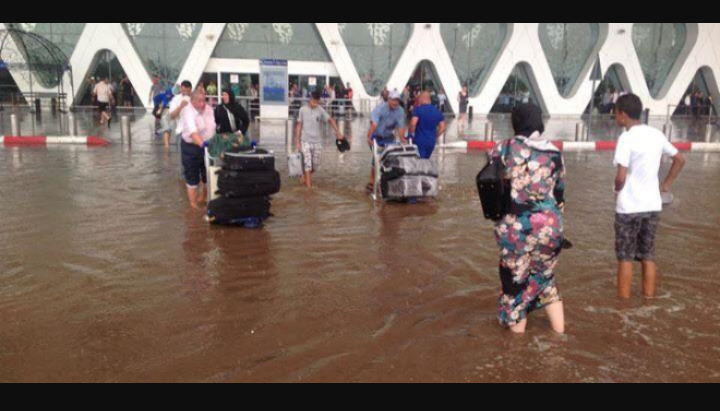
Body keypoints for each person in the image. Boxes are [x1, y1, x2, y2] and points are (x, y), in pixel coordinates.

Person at [492, 103, 566, 334]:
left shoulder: (504, 148)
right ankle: (559, 336)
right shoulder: (555, 153)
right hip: (551, 229)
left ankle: (516, 352)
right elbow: (560, 193)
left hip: (517, 230)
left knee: (515, 285)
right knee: (545, 280)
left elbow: (492, 184)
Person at [613, 94, 686, 299]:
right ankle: (648, 300)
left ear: (623, 114)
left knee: (625, 258)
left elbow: (620, 176)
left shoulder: (626, 137)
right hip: (652, 205)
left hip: (628, 207)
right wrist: (665, 186)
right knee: (648, 255)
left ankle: (623, 305)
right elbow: (680, 159)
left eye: (616, 112)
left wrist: (617, 190)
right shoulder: (656, 134)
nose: (615, 116)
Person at [295, 91, 345, 189]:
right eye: (314, 102)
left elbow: (330, 120)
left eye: (317, 102)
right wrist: (297, 141)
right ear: (310, 99)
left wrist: (338, 132)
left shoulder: (320, 110)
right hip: (305, 141)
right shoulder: (302, 110)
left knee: (315, 166)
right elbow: (299, 124)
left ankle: (304, 176)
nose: (315, 104)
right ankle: (309, 189)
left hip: (317, 142)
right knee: (307, 164)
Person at [180, 92, 217, 210]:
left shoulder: (210, 109)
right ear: (192, 101)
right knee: (192, 176)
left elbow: (216, 126)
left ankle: (203, 198)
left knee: (208, 174)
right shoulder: (188, 112)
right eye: (199, 101)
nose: (202, 104)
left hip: (208, 146)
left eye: (204, 100)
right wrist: (203, 145)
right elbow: (193, 133)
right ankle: (193, 205)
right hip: (191, 147)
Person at [366, 90, 406, 192]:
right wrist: (369, 137)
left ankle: (385, 180)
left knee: (389, 159)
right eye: (393, 100)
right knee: (377, 159)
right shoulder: (379, 108)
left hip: (388, 137)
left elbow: (400, 128)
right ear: (388, 99)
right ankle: (372, 181)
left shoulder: (400, 111)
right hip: (376, 135)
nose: (395, 103)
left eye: (397, 100)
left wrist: (402, 140)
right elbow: (373, 124)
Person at [409, 91, 446, 159]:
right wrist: (436, 135)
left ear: (421, 99)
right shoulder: (437, 111)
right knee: (426, 160)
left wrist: (411, 134)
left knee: (419, 161)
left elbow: (413, 124)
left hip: (420, 140)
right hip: (431, 141)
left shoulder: (418, 110)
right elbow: (443, 128)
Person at [167, 81, 193, 148]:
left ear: (191, 89)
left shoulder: (195, 98)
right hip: (182, 131)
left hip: (195, 131)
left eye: (188, 91)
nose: (185, 93)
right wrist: (180, 107)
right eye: (184, 91)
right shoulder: (176, 99)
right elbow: (172, 116)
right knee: (183, 156)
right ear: (180, 89)